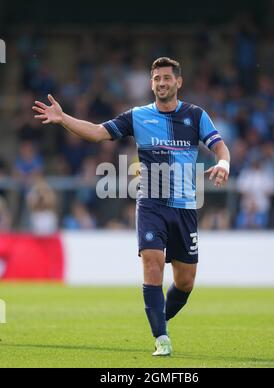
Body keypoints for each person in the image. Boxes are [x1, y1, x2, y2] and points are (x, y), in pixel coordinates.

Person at [33, 57, 230, 357]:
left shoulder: (196, 115)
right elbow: (98, 132)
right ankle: (161, 337)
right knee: (152, 262)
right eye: (156, 79)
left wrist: (224, 163)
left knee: (185, 282)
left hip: (185, 207)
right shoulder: (138, 116)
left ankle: (159, 316)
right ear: (151, 83)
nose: (161, 83)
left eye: (167, 78)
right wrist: (64, 119)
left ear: (179, 82)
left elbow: (219, 146)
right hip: (151, 203)